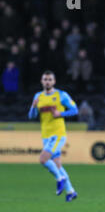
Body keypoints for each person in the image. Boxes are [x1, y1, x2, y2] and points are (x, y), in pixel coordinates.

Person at [28, 70, 79, 202]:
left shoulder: (61, 95)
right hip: (45, 135)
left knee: (43, 159)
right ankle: (71, 191)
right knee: (57, 164)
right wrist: (33, 107)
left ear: (54, 81)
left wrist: (61, 114)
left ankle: (59, 179)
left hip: (57, 134)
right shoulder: (38, 96)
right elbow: (31, 116)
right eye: (45, 79)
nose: (47, 82)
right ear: (41, 81)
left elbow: (75, 110)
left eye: (50, 79)